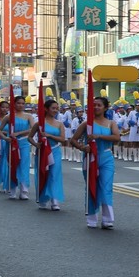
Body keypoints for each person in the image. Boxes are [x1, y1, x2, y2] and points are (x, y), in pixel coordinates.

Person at [71, 96, 119, 229]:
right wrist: (82, 147)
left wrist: (99, 136)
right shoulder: (86, 124)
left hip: (106, 157)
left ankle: (107, 219)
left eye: (99, 105)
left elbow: (117, 137)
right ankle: (91, 218)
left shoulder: (111, 123)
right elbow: (73, 140)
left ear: (105, 108)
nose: (96, 107)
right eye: (94, 105)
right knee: (91, 186)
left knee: (106, 187)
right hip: (90, 158)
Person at [29, 98, 65, 211]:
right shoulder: (39, 123)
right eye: (53, 108)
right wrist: (36, 145)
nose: (55, 110)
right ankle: (43, 199)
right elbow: (30, 137)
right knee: (43, 174)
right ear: (46, 109)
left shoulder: (59, 124)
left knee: (54, 175)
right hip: (42, 152)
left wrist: (49, 136)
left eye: (57, 108)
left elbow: (63, 139)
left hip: (55, 151)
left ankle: (55, 201)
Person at [0, 95, 34, 200]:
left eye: (23, 103)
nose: (21, 105)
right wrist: (5, 138)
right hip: (11, 143)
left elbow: (33, 129)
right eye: (18, 103)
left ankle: (24, 190)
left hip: (24, 143)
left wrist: (19, 133)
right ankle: (12, 189)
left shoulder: (28, 116)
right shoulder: (9, 116)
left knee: (24, 165)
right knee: (13, 165)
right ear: (14, 104)